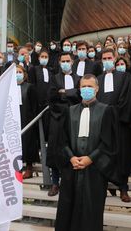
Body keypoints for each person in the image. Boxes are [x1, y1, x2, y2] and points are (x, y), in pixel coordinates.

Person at [54, 74, 119, 231]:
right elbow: (62, 140)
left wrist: (91, 158)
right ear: (79, 89)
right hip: (72, 168)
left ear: (97, 89)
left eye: (90, 86)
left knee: (91, 211)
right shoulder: (70, 111)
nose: (87, 89)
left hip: (95, 170)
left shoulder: (107, 111)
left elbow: (109, 142)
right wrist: (71, 157)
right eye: (83, 86)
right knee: (68, 209)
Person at [97, 48, 131, 202]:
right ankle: (104, 186)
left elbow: (126, 100)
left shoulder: (125, 77)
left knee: (122, 156)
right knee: (104, 154)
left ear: (114, 59)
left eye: (109, 57)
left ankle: (123, 188)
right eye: (104, 58)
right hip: (102, 124)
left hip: (120, 123)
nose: (107, 60)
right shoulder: (98, 79)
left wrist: (109, 113)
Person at [47, 52, 81, 196]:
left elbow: (79, 96)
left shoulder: (79, 78)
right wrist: (70, 94)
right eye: (63, 61)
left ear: (72, 62)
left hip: (74, 119)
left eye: (68, 60)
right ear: (60, 63)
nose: (65, 63)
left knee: (73, 149)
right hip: (57, 118)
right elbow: (52, 97)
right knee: (55, 150)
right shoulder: (54, 78)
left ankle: (70, 183)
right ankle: (55, 183)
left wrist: (64, 92)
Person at [16, 65, 39, 179]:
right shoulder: (10, 88)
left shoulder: (29, 87)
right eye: (16, 72)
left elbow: (34, 105)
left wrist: (33, 120)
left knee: (28, 143)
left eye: (20, 72)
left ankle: (29, 168)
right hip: (14, 119)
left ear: (24, 75)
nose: (17, 74)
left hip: (27, 119)